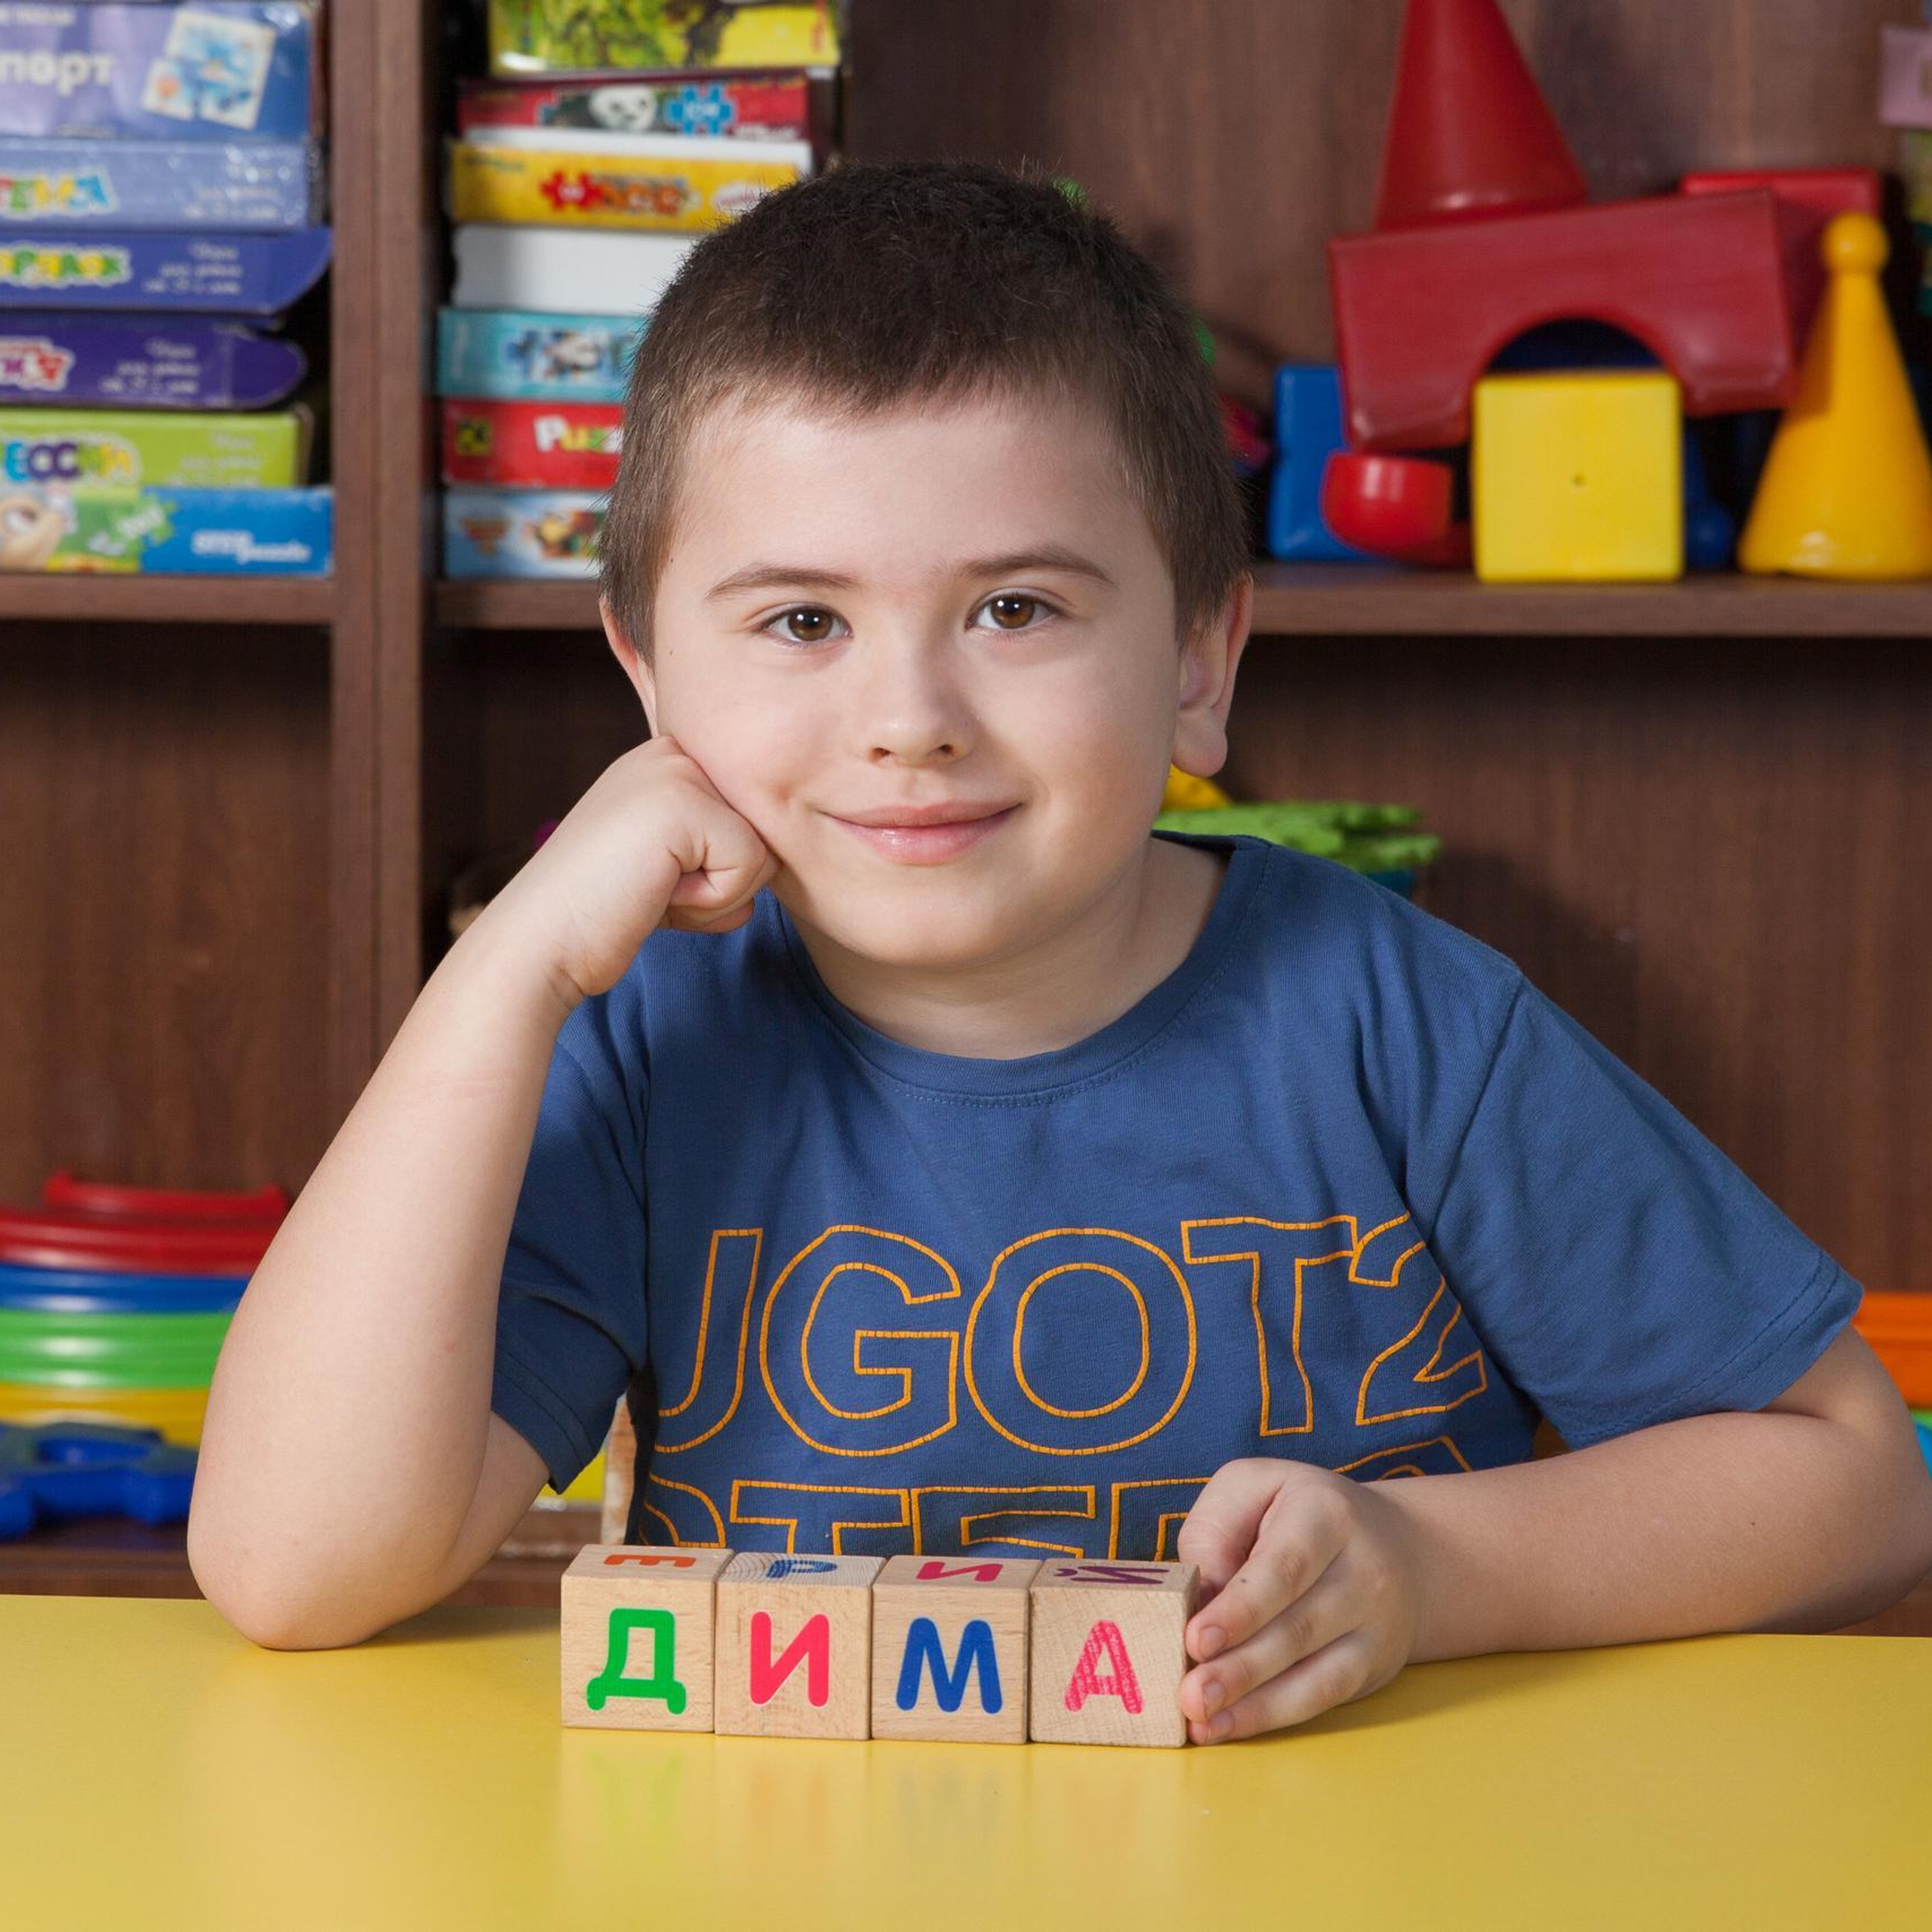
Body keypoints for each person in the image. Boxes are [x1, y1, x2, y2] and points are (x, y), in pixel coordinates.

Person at [188, 158, 1932, 1744]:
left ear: (1196, 658)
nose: (907, 719)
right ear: (646, 684)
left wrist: (1426, 1563)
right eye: (801, 619)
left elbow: (1855, 1487)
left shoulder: (1400, 1014)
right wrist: (505, 972)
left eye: (1014, 608)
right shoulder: (644, 1036)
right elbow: (289, 1564)